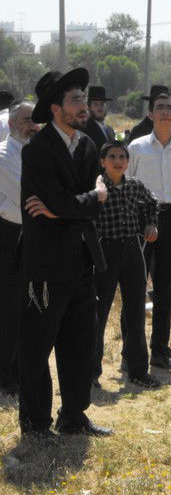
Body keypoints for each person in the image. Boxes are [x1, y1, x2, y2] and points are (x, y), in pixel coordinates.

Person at [18, 68, 112, 438]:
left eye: (83, 99)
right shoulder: (37, 150)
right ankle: (36, 422)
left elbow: (80, 206)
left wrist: (70, 207)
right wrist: (90, 198)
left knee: (79, 345)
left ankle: (73, 417)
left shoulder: (88, 145)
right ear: (55, 108)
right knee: (37, 347)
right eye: (75, 100)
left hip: (81, 261)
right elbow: (71, 201)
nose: (83, 106)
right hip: (44, 265)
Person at [128, 90, 171, 370]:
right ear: (151, 114)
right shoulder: (138, 147)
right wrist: (133, 220)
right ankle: (131, 355)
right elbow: (127, 185)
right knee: (135, 288)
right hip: (141, 218)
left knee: (166, 288)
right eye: (160, 107)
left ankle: (160, 352)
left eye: (170, 107)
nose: (166, 111)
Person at [93, 141, 161, 389]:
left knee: (135, 311)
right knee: (98, 315)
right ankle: (91, 373)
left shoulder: (134, 186)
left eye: (122, 156)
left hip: (132, 249)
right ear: (103, 161)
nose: (118, 161)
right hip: (105, 250)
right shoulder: (97, 188)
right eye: (112, 156)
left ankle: (138, 371)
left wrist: (151, 224)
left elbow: (153, 202)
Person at [0, 102, 39, 396]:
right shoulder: (3, 155)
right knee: (9, 307)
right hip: (9, 235)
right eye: (27, 120)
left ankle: (18, 368)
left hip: (32, 233)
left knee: (27, 306)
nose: (33, 125)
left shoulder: (33, 153)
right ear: (12, 124)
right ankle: (6, 375)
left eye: (35, 120)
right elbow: (25, 195)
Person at [83, 85, 116, 152]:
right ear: (89, 107)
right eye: (95, 104)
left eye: (102, 104)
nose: (99, 108)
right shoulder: (85, 130)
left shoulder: (110, 130)